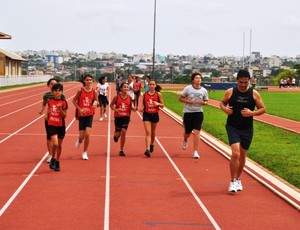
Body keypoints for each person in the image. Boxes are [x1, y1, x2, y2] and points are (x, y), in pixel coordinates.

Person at [220, 69, 266, 193]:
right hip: (232, 126)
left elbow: (263, 109)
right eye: (241, 82)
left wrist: (252, 113)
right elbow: (222, 103)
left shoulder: (254, 94)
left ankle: (238, 178)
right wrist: (225, 110)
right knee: (235, 153)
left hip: (247, 128)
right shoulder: (230, 92)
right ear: (237, 81)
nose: (243, 85)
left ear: (249, 81)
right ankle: (232, 181)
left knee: (242, 155)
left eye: (246, 82)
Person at [179, 72, 208, 159]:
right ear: (193, 80)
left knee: (197, 132)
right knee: (187, 132)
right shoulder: (188, 89)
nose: (198, 79)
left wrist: (203, 102)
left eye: (199, 78)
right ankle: (185, 139)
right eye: (196, 78)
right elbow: (180, 98)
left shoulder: (204, 90)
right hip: (188, 112)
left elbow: (206, 101)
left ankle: (195, 151)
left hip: (198, 113)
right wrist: (189, 101)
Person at [39, 78, 65, 163]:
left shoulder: (62, 96)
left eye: (55, 83)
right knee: (49, 137)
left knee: (57, 140)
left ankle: (55, 155)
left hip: (58, 119)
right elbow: (44, 104)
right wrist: (42, 111)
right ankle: (50, 155)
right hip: (49, 119)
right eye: (51, 84)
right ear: (48, 85)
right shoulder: (46, 96)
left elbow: (64, 107)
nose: (53, 85)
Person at [73, 74, 99, 160]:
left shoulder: (94, 91)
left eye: (90, 80)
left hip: (90, 115)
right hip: (82, 115)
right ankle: (80, 140)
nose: (89, 81)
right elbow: (74, 101)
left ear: (92, 81)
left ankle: (84, 152)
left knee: (87, 134)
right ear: (84, 81)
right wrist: (79, 109)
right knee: (82, 136)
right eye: (87, 80)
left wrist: (96, 103)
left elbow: (97, 103)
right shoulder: (80, 91)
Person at [45, 83, 68, 171]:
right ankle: (53, 158)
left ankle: (57, 161)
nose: (57, 92)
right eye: (55, 91)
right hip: (51, 125)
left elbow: (64, 115)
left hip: (60, 125)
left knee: (59, 145)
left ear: (62, 92)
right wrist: (46, 115)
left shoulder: (64, 102)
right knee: (55, 143)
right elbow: (49, 110)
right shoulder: (50, 101)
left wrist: (60, 109)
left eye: (59, 91)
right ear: (52, 92)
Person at [110, 82, 137, 156]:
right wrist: (116, 110)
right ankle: (115, 136)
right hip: (118, 117)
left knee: (123, 131)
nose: (126, 88)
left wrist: (134, 108)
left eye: (127, 87)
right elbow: (111, 105)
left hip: (126, 117)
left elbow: (131, 107)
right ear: (121, 88)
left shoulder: (129, 98)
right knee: (118, 134)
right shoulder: (117, 97)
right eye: (124, 87)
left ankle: (121, 150)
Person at [139, 80, 164, 157]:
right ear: (148, 86)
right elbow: (143, 104)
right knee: (148, 132)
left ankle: (152, 144)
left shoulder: (158, 94)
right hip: (147, 114)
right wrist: (142, 108)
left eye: (153, 84)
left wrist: (158, 104)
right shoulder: (145, 94)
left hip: (155, 114)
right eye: (150, 84)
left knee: (153, 132)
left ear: (155, 85)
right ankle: (147, 149)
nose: (152, 86)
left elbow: (163, 105)